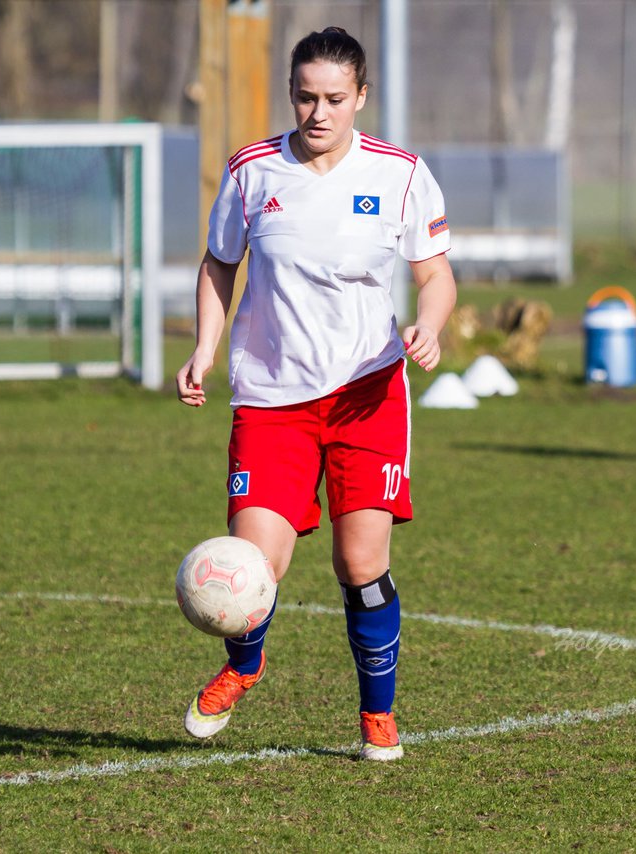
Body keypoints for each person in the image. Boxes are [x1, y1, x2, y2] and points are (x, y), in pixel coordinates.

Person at [175, 26, 457, 761]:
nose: (319, 112)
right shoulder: (252, 171)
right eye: (306, 97)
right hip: (272, 402)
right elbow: (218, 264)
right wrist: (205, 347)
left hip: (367, 395)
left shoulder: (398, 173)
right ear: (291, 95)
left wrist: (429, 325)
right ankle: (245, 664)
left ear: (361, 97)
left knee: (360, 565)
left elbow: (436, 274)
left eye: (335, 98)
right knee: (252, 563)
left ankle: (377, 717)